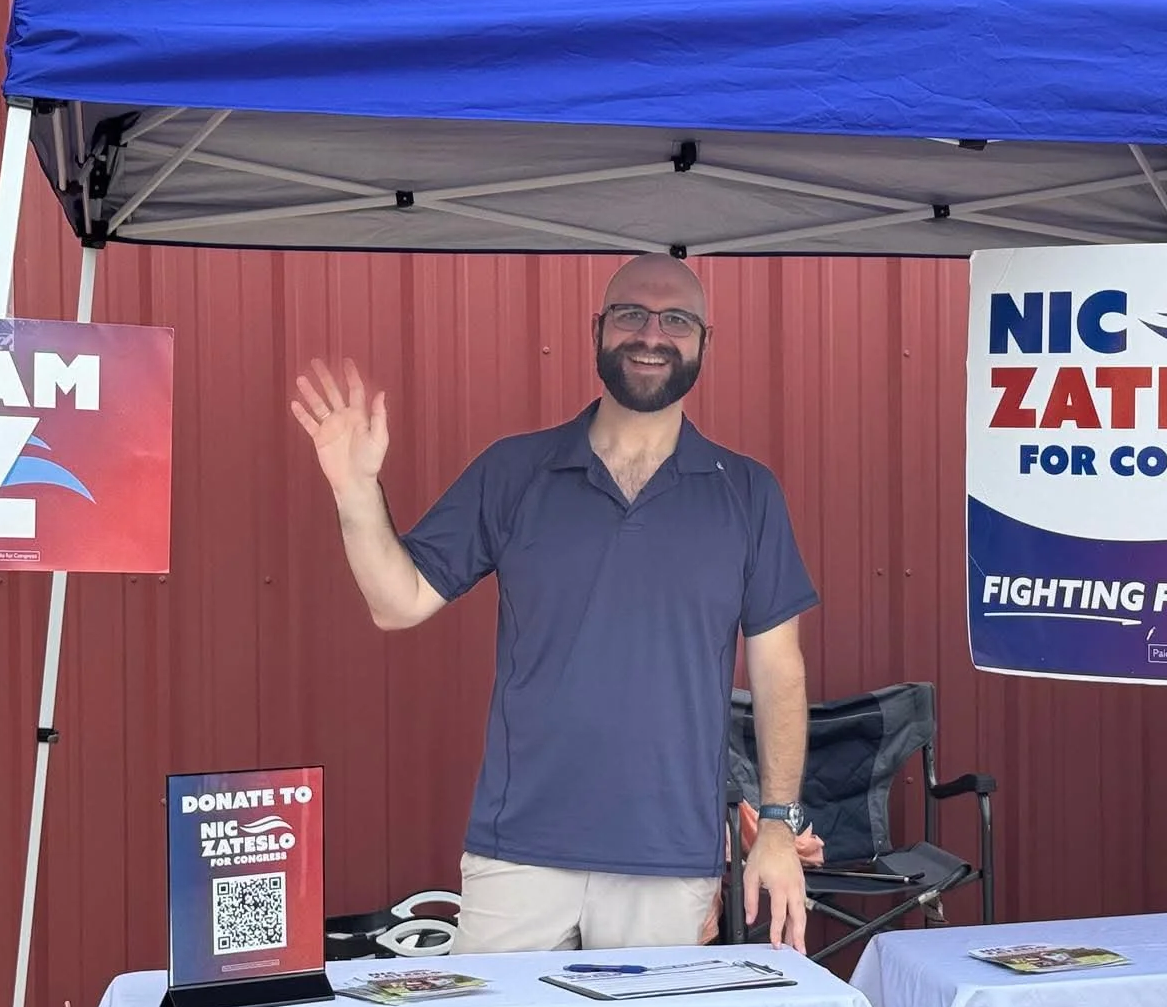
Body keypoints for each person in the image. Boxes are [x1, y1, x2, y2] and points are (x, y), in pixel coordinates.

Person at [289, 254, 820, 952]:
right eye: (631, 314)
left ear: (704, 342)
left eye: (676, 320)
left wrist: (777, 825)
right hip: (519, 851)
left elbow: (779, 670)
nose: (651, 334)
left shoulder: (747, 494)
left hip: (667, 859)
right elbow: (399, 601)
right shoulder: (515, 471)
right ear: (597, 329)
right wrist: (354, 488)